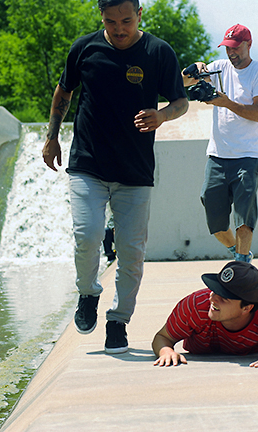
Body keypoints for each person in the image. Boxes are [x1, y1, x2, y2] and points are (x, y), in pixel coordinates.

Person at [41, 0, 188, 354]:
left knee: (131, 253)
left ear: (139, 15)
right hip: (88, 164)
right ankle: (88, 293)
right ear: (101, 17)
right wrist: (51, 136)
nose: (118, 29)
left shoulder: (158, 52)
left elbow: (180, 102)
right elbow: (64, 91)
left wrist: (162, 116)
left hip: (135, 172)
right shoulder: (85, 48)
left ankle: (119, 321)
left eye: (125, 20)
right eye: (110, 21)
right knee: (87, 235)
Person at [182, 24, 258, 263]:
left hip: (247, 156)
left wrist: (226, 103)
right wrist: (194, 69)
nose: (231, 53)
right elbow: (184, 82)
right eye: (227, 48)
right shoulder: (219, 67)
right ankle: (237, 251)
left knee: (244, 218)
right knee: (216, 225)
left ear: (248, 45)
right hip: (217, 157)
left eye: (235, 48)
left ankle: (243, 264)